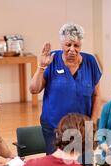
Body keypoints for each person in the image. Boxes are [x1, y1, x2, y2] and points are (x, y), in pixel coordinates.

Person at [29, 23, 102, 157]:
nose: (72, 49)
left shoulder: (90, 61)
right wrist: (41, 67)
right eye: (68, 45)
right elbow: (34, 89)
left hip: (82, 129)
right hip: (54, 126)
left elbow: (96, 95)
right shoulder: (52, 59)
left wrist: (93, 122)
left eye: (76, 46)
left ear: (81, 45)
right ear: (62, 44)